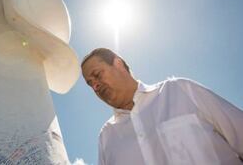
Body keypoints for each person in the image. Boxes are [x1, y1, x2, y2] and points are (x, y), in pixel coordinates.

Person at [81, 48, 243, 165]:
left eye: (97, 75)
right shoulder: (106, 137)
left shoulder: (181, 90)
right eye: (90, 84)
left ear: (118, 64)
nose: (96, 86)